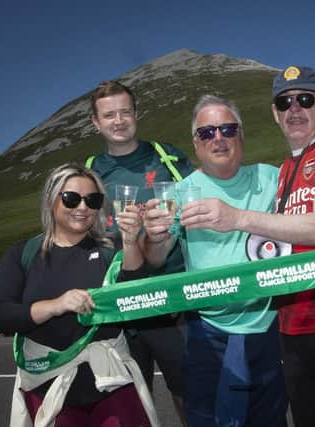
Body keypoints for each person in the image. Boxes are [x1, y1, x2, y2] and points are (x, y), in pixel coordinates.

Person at [177, 66, 315, 427]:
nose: (295, 109)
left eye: (305, 100)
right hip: (294, 324)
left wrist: (236, 217)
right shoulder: (282, 172)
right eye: (285, 102)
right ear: (275, 114)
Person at [143, 95, 287, 426]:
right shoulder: (181, 192)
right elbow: (157, 257)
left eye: (227, 129)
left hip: (269, 324)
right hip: (211, 330)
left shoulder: (272, 178)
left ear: (241, 135)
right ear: (196, 143)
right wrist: (154, 236)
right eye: (207, 132)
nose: (218, 138)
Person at [0, 163, 158, 426]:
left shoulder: (111, 248)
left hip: (111, 382)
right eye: (71, 199)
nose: (82, 208)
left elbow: (133, 298)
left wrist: (131, 241)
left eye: (92, 200)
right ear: (51, 200)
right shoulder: (24, 253)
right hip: (47, 383)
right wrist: (56, 305)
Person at [89, 80, 193, 424]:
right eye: (109, 115)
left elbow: (200, 202)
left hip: (174, 299)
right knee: (130, 401)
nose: (118, 120)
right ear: (96, 122)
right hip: (122, 303)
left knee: (189, 392)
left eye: (125, 112)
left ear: (136, 114)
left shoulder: (169, 156)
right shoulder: (91, 170)